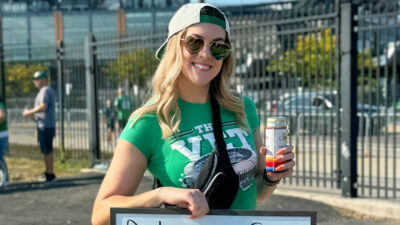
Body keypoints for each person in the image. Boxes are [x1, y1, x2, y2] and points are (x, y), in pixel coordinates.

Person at [92, 3, 295, 225]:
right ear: (174, 47)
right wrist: (160, 195)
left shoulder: (243, 108)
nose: (206, 54)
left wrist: (270, 177)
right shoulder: (148, 122)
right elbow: (101, 214)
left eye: (218, 47)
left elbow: (253, 194)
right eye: (195, 43)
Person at [23, 71, 57, 183]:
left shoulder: (45, 90)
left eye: (37, 79)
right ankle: (48, 172)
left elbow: (43, 107)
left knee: (47, 150)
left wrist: (29, 112)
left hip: (45, 126)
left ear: (43, 80)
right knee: (46, 150)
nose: (35, 81)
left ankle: (50, 174)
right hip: (45, 125)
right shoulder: (45, 91)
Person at [0, 97, 9, 187]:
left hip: (1, 135)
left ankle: (5, 180)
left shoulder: (0, 104)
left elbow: (2, 116)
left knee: (0, 158)